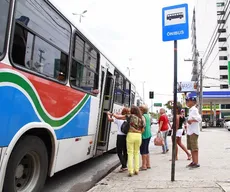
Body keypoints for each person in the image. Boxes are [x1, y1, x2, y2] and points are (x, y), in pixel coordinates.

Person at [112, 106, 144, 176]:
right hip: (138, 136)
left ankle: (131, 171)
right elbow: (143, 129)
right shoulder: (142, 118)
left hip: (130, 135)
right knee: (136, 153)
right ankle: (136, 170)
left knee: (130, 153)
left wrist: (112, 114)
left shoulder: (129, 116)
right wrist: (138, 131)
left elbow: (118, 117)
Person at [107, 108, 130, 172]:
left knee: (119, 152)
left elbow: (109, 119)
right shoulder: (129, 119)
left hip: (120, 136)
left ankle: (124, 166)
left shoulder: (118, 119)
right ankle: (124, 165)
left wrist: (108, 114)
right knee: (125, 151)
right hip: (127, 136)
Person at [185, 96, 202, 168]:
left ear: (193, 102)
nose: (187, 102)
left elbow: (199, 119)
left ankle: (196, 162)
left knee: (194, 148)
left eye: (188, 101)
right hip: (190, 131)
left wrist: (191, 120)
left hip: (193, 132)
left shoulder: (194, 109)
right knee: (191, 148)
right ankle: (193, 161)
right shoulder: (191, 110)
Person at [139, 105, 152, 170]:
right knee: (146, 149)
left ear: (142, 110)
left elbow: (143, 126)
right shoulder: (148, 116)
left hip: (144, 135)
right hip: (148, 134)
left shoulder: (142, 116)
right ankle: (148, 164)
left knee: (143, 150)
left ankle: (144, 165)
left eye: (139, 109)